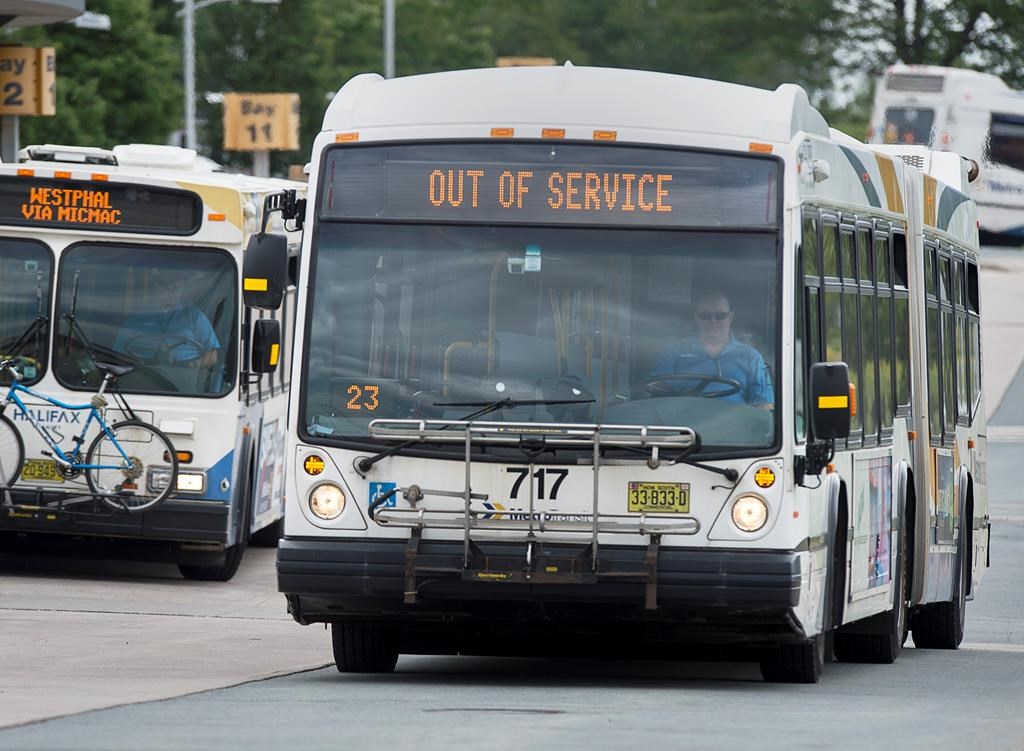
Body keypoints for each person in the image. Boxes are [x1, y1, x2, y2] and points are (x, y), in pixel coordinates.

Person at [649, 290, 773, 408]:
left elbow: (763, 404)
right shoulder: (673, 351)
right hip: (683, 421)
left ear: (730, 317)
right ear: (696, 318)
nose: (713, 321)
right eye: (705, 315)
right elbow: (656, 392)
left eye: (720, 315)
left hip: (735, 422)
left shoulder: (751, 357)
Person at [114, 271, 220, 370]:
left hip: (184, 378)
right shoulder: (135, 318)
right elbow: (118, 355)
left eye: (178, 286)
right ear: (155, 287)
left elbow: (212, 355)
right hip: (143, 375)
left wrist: (194, 365)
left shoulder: (194, 316)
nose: (175, 291)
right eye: (169, 286)